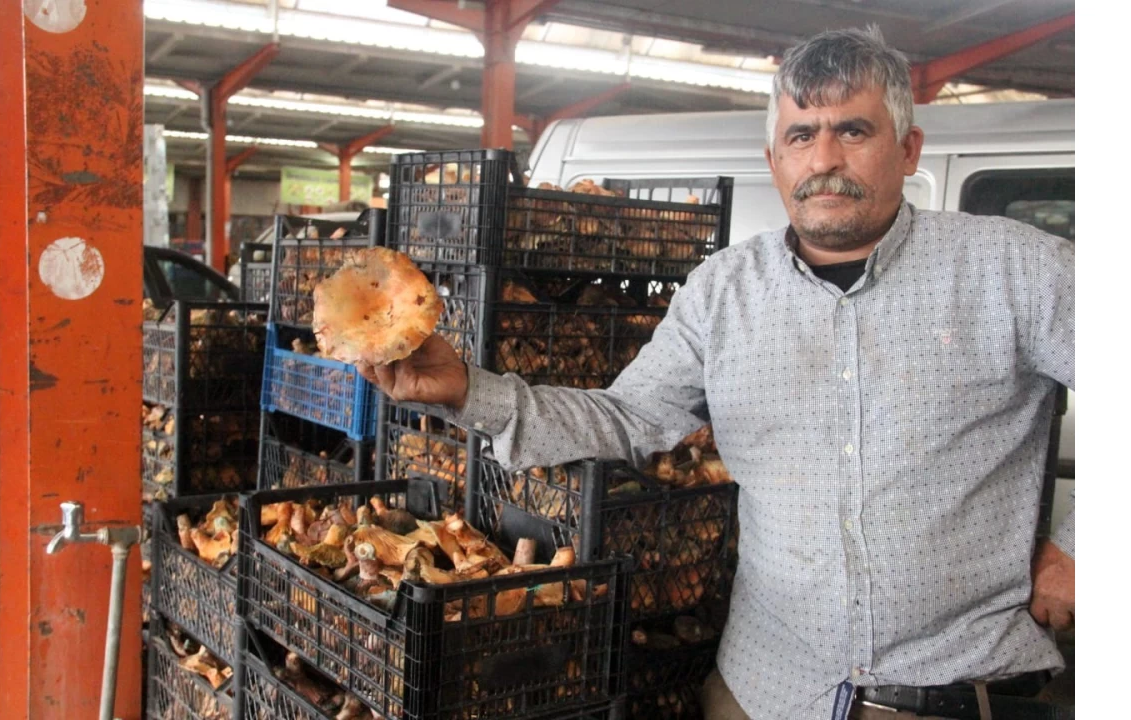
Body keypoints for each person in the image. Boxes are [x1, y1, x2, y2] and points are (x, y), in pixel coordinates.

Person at [358, 26, 1074, 720]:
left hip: (952, 691)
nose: (824, 157)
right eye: (802, 135)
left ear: (909, 148)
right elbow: (627, 418)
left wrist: (1079, 547)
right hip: (765, 692)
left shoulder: (1014, 268)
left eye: (853, 131)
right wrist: (467, 392)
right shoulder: (724, 290)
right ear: (774, 160)